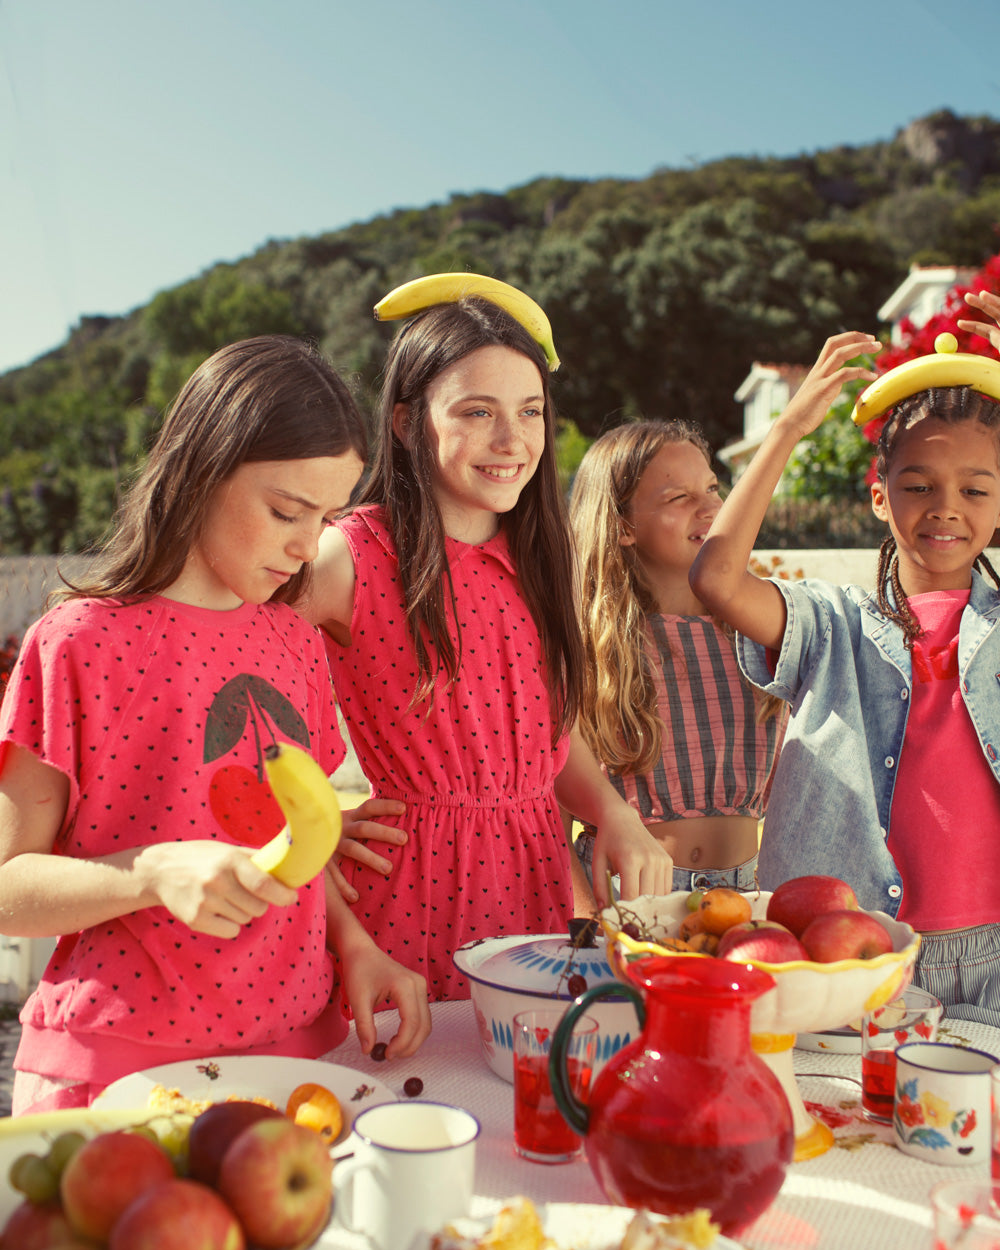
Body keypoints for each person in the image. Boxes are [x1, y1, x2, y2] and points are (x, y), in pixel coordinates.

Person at [0, 335, 431, 1115]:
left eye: (327, 516)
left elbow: (286, 852)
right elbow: (6, 888)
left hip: (298, 1049)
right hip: (120, 1065)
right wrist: (152, 873)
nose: (309, 544)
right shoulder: (77, 641)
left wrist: (356, 945)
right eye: (285, 511)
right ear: (200, 469)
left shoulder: (296, 641)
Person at [302, 290, 673, 1001]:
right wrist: (311, 819)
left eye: (529, 412)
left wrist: (613, 813)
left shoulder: (538, 559)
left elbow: (544, 741)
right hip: (406, 903)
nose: (512, 441)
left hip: (537, 893)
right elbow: (232, 670)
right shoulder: (351, 554)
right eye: (478, 412)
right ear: (408, 424)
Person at [689, 296, 1000, 1023]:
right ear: (878, 498)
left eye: (976, 489)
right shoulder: (833, 625)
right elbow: (716, 580)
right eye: (916, 485)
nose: (945, 506)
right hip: (849, 954)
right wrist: (790, 428)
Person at [569, 420, 786, 895]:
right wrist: (584, 920)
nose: (712, 506)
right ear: (623, 526)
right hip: (624, 897)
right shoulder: (590, 647)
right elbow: (546, 815)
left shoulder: (760, 632)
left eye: (712, 487)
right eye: (679, 498)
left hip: (744, 897)